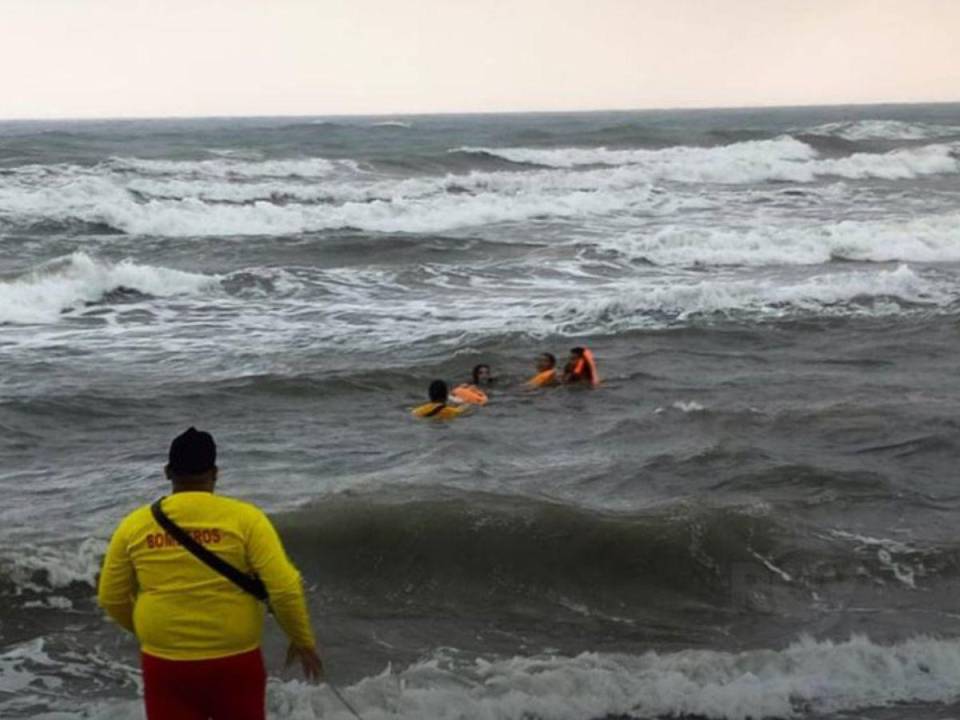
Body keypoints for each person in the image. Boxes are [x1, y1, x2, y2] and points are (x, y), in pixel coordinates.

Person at [98, 427, 322, 720]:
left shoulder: (134, 525)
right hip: (235, 659)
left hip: (166, 664)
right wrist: (302, 640)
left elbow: (111, 597)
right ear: (215, 473)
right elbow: (284, 587)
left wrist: (153, 631)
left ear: (168, 472)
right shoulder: (246, 519)